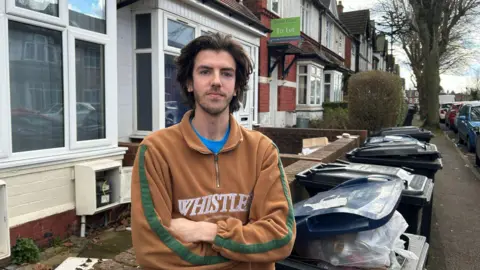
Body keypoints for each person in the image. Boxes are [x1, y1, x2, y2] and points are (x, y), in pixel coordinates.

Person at [130, 33, 296, 270]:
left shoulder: (262, 151)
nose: (216, 81)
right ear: (190, 82)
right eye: (205, 71)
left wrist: (209, 232)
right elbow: (153, 250)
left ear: (237, 86)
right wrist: (247, 249)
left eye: (226, 73)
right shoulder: (157, 151)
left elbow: (281, 237)